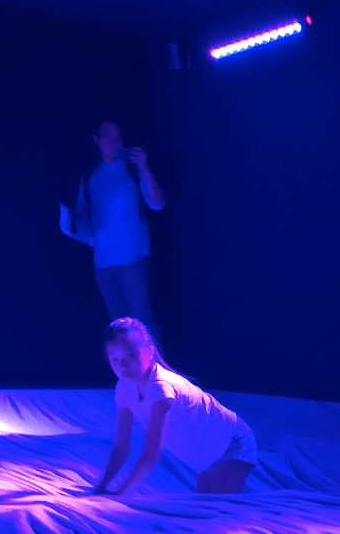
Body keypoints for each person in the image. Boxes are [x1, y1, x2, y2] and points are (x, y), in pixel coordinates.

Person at [93, 318, 257, 495]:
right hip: (209, 452)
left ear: (150, 352)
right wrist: (101, 488)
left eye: (131, 355)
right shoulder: (124, 387)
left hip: (232, 442)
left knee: (215, 508)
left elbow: (151, 455)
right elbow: (121, 446)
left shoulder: (161, 388)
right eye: (114, 358)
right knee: (203, 507)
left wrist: (121, 495)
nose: (122, 366)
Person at [61, 119, 166, 337]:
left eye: (117, 136)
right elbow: (84, 220)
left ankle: (157, 360)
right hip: (104, 264)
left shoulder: (132, 170)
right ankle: (129, 362)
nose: (113, 141)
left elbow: (158, 204)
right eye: (107, 136)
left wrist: (145, 168)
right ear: (96, 140)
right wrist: (75, 215)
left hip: (133, 258)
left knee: (143, 320)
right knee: (119, 326)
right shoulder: (89, 179)